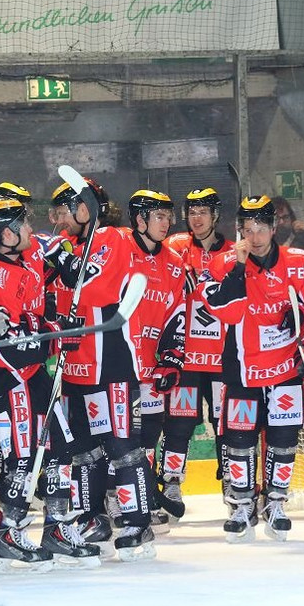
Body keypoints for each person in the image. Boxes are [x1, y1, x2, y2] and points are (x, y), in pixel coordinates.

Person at [0, 195, 102, 570]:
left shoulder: (29, 251)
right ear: (7, 235)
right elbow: (14, 345)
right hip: (6, 376)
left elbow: (71, 264)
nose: (31, 228)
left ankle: (57, 527)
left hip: (34, 374)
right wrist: (57, 335)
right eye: (23, 224)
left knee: (60, 446)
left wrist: (71, 264)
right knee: (23, 455)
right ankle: (9, 533)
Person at [199, 195, 304, 542]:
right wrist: (239, 269)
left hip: (287, 368)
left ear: (275, 228)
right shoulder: (221, 264)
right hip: (242, 369)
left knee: (283, 439)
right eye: (248, 229)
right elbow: (226, 311)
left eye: (261, 228)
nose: (255, 236)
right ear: (239, 230)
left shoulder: (300, 263)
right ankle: (242, 505)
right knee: (238, 440)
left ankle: (276, 502)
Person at [44, 177, 156, 561]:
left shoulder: (112, 238)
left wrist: (59, 257)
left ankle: (138, 523)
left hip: (111, 364)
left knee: (122, 447)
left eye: (64, 210)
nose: (59, 220)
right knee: (83, 451)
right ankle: (92, 519)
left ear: (85, 208)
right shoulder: (73, 245)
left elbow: (93, 286)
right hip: (75, 366)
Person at [166, 188, 235, 516]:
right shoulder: (175, 246)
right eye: (192, 212)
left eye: (203, 212)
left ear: (215, 216)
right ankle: (171, 482)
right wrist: (177, 278)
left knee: (226, 423)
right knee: (178, 423)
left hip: (222, 357)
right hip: (187, 356)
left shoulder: (234, 251)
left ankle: (232, 481)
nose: (197, 218)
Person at [121, 189, 186, 533]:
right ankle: (118, 499)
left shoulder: (174, 262)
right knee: (120, 436)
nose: (167, 223)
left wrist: (172, 357)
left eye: (168, 216)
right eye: (159, 216)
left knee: (149, 433)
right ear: (140, 219)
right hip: (117, 363)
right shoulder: (120, 249)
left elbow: (176, 314)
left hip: (149, 365)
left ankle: (143, 496)